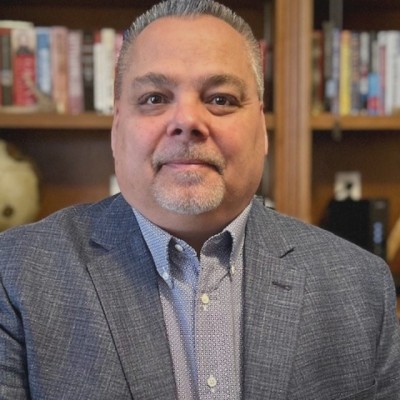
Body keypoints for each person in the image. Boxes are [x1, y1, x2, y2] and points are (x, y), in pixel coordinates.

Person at [1, 0, 399, 398]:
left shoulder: (361, 287)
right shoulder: (15, 275)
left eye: (221, 99)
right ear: (117, 128)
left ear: (262, 129)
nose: (188, 121)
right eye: (155, 98)